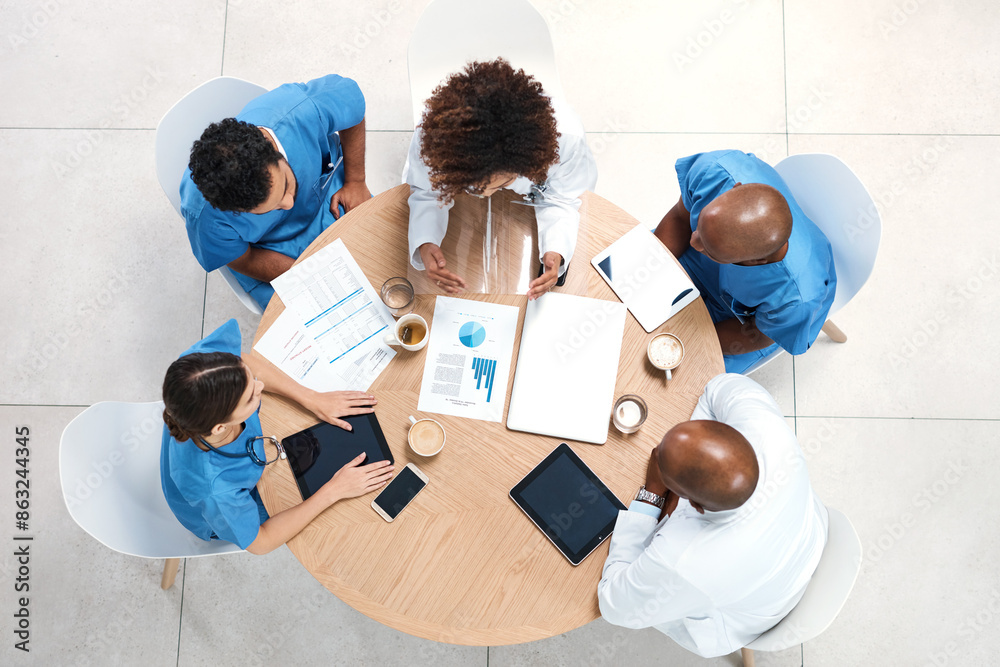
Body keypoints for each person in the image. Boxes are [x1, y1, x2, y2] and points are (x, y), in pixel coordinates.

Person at [598, 373, 828, 658]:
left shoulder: (682, 562)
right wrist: (686, 459)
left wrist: (654, 492)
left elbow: (612, 605)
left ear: (693, 504)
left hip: (755, 613)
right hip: (807, 537)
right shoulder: (767, 429)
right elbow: (717, 387)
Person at [160, 319, 393, 554]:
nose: (260, 386)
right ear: (220, 427)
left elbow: (244, 362)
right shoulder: (217, 492)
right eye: (251, 396)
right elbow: (262, 542)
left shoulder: (200, 366)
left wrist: (310, 398)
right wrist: (334, 491)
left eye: (251, 378)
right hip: (223, 512)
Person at [405, 58, 598, 300]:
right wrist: (425, 240)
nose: (485, 195)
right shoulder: (434, 137)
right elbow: (426, 190)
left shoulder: (567, 140)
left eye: (503, 184)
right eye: (474, 188)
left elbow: (563, 198)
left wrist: (556, 247)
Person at [180, 74, 370, 309]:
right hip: (268, 250)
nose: (289, 203)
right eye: (271, 209)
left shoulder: (301, 109)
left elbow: (352, 107)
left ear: (271, 146)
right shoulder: (206, 217)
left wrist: (356, 181)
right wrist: (307, 273)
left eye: (287, 186)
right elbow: (243, 259)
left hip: (328, 197)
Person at [654, 150, 836, 373]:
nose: (693, 242)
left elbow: (757, 335)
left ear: (758, 261)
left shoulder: (796, 300)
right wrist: (649, 270)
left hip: (746, 323)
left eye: (709, 248)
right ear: (735, 188)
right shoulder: (714, 171)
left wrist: (682, 338)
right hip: (711, 270)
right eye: (700, 227)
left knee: (679, 373)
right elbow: (681, 218)